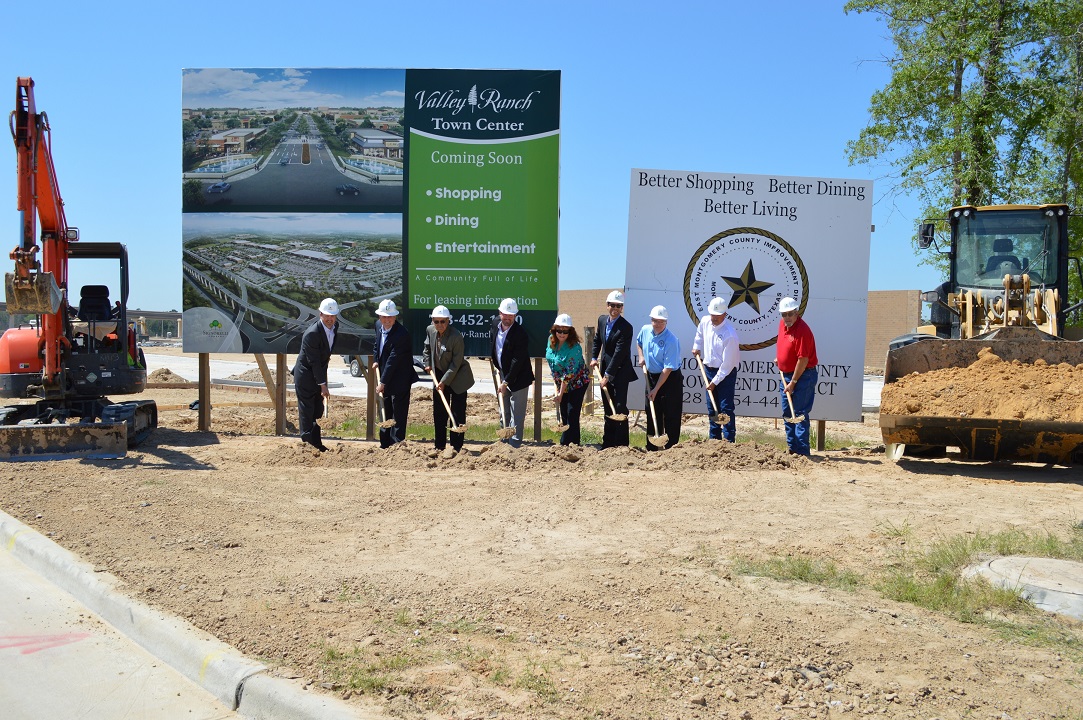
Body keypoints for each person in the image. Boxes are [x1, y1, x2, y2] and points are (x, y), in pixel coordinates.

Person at [423, 305, 474, 456]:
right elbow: (427, 349)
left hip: (458, 378)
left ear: (448, 321)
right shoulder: (430, 330)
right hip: (438, 375)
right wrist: (427, 364)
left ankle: (456, 448)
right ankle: (439, 446)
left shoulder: (456, 336)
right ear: (432, 321)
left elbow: (456, 364)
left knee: (457, 413)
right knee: (439, 412)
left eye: (443, 321)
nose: (439, 325)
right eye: (436, 321)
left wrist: (444, 382)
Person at [591, 290, 637, 448]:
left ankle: (621, 445)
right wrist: (593, 358)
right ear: (607, 305)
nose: (615, 308)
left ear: (622, 307)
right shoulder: (602, 320)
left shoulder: (626, 327)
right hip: (605, 369)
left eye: (618, 306)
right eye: (612, 305)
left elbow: (619, 353)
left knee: (619, 408)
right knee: (607, 407)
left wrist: (608, 375)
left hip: (620, 373)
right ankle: (608, 443)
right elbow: (597, 339)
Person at [293, 298, 340, 452]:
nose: (330, 319)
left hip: (318, 374)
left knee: (318, 410)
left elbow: (323, 359)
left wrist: (322, 383)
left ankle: (316, 444)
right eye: (327, 315)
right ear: (320, 314)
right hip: (306, 376)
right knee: (307, 411)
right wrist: (323, 385)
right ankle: (307, 446)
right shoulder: (311, 334)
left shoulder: (335, 327)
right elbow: (314, 362)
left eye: (332, 315)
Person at [692, 296, 740, 442]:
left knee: (726, 409)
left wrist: (714, 383)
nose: (714, 318)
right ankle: (714, 441)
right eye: (712, 314)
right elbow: (699, 335)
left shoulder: (730, 335)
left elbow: (727, 365)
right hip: (708, 369)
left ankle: (729, 442)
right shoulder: (705, 321)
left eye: (717, 315)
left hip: (726, 374)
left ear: (724, 314)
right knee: (712, 408)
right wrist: (697, 347)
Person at [372, 299, 419, 448]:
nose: (386, 320)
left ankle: (396, 446)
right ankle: (384, 444)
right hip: (385, 376)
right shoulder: (378, 326)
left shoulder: (401, 334)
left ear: (395, 317)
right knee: (385, 411)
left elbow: (393, 360)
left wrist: (382, 383)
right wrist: (375, 360)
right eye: (384, 317)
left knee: (398, 414)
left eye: (390, 317)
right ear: (379, 317)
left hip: (400, 379)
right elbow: (376, 345)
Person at [776, 296, 818, 457]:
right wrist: (780, 358)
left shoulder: (802, 331)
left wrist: (793, 382)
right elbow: (784, 344)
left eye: (790, 314)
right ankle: (791, 449)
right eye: (784, 314)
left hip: (803, 376)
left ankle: (801, 453)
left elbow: (803, 359)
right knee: (788, 413)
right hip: (785, 375)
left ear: (797, 312)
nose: (787, 318)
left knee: (799, 414)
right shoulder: (782, 325)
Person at [636, 305, 683, 450]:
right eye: (655, 321)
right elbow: (639, 342)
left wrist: (656, 389)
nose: (658, 324)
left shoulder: (671, 340)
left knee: (671, 414)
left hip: (670, 379)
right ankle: (652, 446)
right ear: (651, 320)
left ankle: (671, 447)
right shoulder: (645, 330)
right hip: (651, 376)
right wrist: (641, 356)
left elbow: (667, 369)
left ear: (666, 322)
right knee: (651, 411)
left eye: (661, 321)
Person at [490, 297, 535, 447]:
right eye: (505, 314)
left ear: (515, 316)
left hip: (519, 378)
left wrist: (506, 382)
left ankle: (514, 446)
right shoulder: (495, 324)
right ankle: (504, 444)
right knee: (503, 411)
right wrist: (499, 370)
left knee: (517, 415)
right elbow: (494, 345)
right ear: (500, 313)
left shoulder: (520, 334)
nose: (508, 318)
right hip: (503, 373)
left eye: (511, 315)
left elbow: (517, 361)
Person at [544, 313, 589, 446]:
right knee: (564, 411)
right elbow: (550, 358)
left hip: (577, 382)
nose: (561, 334)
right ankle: (566, 443)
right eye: (559, 330)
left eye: (565, 331)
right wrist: (558, 387)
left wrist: (560, 393)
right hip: (560, 381)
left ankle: (573, 444)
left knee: (571, 413)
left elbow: (569, 374)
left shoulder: (574, 348)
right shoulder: (551, 339)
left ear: (570, 331)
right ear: (554, 330)